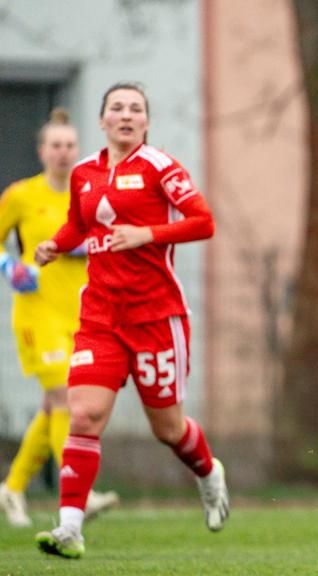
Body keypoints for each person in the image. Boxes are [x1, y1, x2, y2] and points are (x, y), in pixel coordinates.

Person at [32, 83, 229, 559]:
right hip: (100, 316)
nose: (125, 115)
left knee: (168, 430)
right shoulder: (83, 173)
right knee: (84, 414)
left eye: (135, 109)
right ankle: (70, 529)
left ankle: (208, 473)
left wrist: (147, 233)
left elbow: (203, 221)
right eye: (116, 108)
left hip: (156, 318)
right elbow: (80, 224)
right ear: (101, 121)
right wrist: (56, 244)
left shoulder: (159, 168)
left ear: (145, 122)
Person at [0, 108, 120, 528]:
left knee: (55, 407)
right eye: (56, 145)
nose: (63, 153)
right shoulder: (21, 196)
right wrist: (9, 267)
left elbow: (112, 235)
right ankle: (78, 496)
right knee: (65, 399)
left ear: (78, 149)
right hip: (37, 316)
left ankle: (11, 488)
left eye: (70, 145)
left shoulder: (90, 192)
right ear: (42, 151)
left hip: (82, 314)